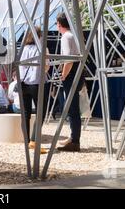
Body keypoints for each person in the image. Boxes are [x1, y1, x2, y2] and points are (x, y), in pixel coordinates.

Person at [19, 26, 50, 153]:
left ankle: (26, 142)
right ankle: (34, 140)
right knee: (40, 112)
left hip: (23, 84)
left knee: (26, 113)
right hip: (37, 83)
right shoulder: (42, 49)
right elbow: (46, 67)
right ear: (40, 35)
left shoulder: (23, 49)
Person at [56, 12, 83, 152]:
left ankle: (75, 141)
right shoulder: (73, 36)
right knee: (72, 107)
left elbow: (69, 60)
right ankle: (73, 136)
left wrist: (64, 75)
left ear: (59, 24)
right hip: (77, 73)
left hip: (71, 74)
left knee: (72, 108)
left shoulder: (66, 37)